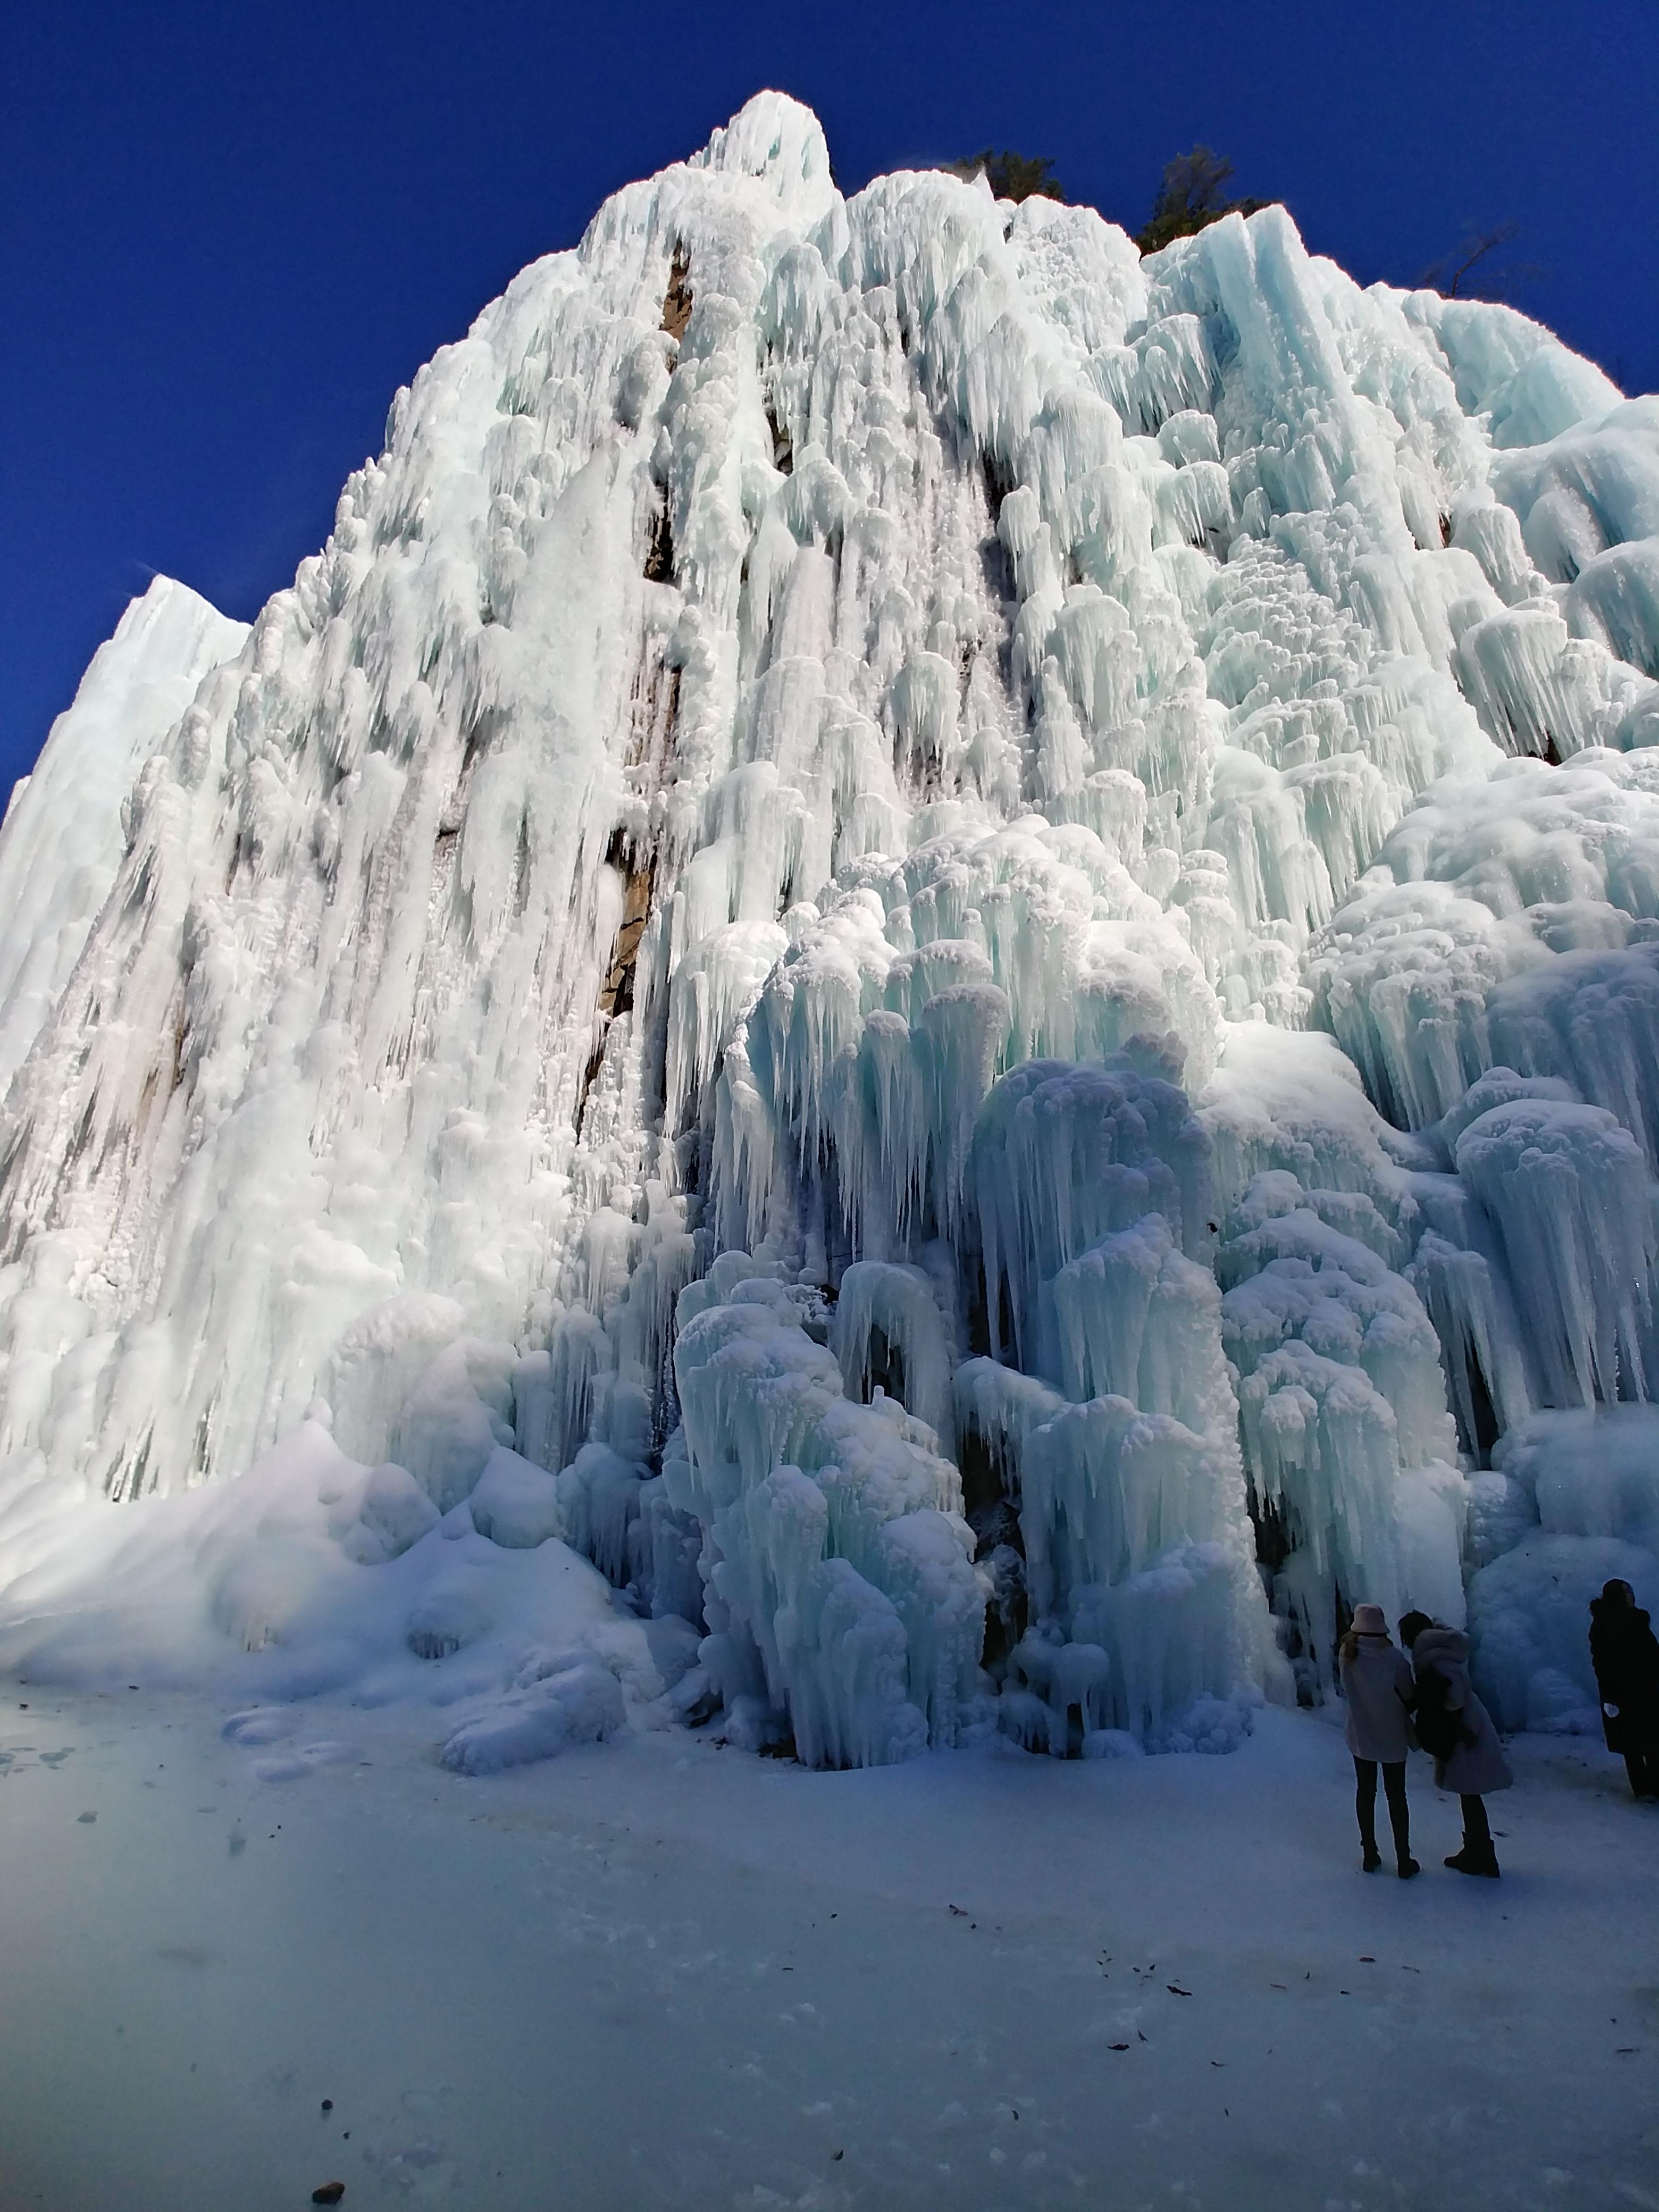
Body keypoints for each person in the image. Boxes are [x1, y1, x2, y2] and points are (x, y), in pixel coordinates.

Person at [1399, 1609, 1512, 1878]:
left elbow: (1456, 1699)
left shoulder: (1436, 1660)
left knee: (1470, 1793)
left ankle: (1481, 1855)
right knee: (1469, 1793)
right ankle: (1475, 1849)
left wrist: (1438, 1710)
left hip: (1465, 1731)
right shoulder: (1440, 1652)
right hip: (1467, 1727)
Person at [1339, 1602, 1418, 1878]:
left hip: (1361, 1733)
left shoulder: (1347, 1655)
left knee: (1366, 1793)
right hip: (1392, 1734)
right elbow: (1409, 1696)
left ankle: (1370, 1853)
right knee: (1397, 1796)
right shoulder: (1395, 1659)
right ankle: (1404, 1858)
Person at [1588, 1579, 1659, 1801]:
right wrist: (1611, 1691)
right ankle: (1644, 1789)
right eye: (1626, 1592)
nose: (1631, 1595)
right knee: (1633, 1742)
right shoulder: (1604, 1624)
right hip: (1622, 1691)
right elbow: (1602, 1660)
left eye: (1631, 1591)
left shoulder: (1638, 1619)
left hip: (1647, 1687)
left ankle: (1654, 1785)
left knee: (1652, 1738)